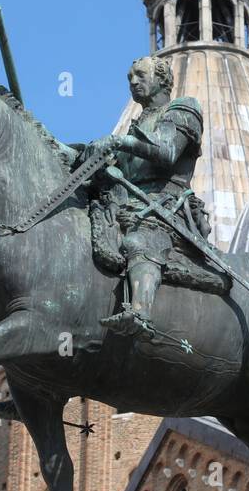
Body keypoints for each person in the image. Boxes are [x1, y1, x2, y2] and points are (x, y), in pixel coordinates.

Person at [77, 56, 205, 337]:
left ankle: (140, 311)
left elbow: (167, 151)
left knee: (139, 240)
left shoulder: (184, 108)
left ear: (162, 79)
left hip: (163, 208)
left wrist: (118, 142)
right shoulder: (137, 125)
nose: (133, 82)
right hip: (128, 203)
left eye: (140, 75)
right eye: (129, 78)